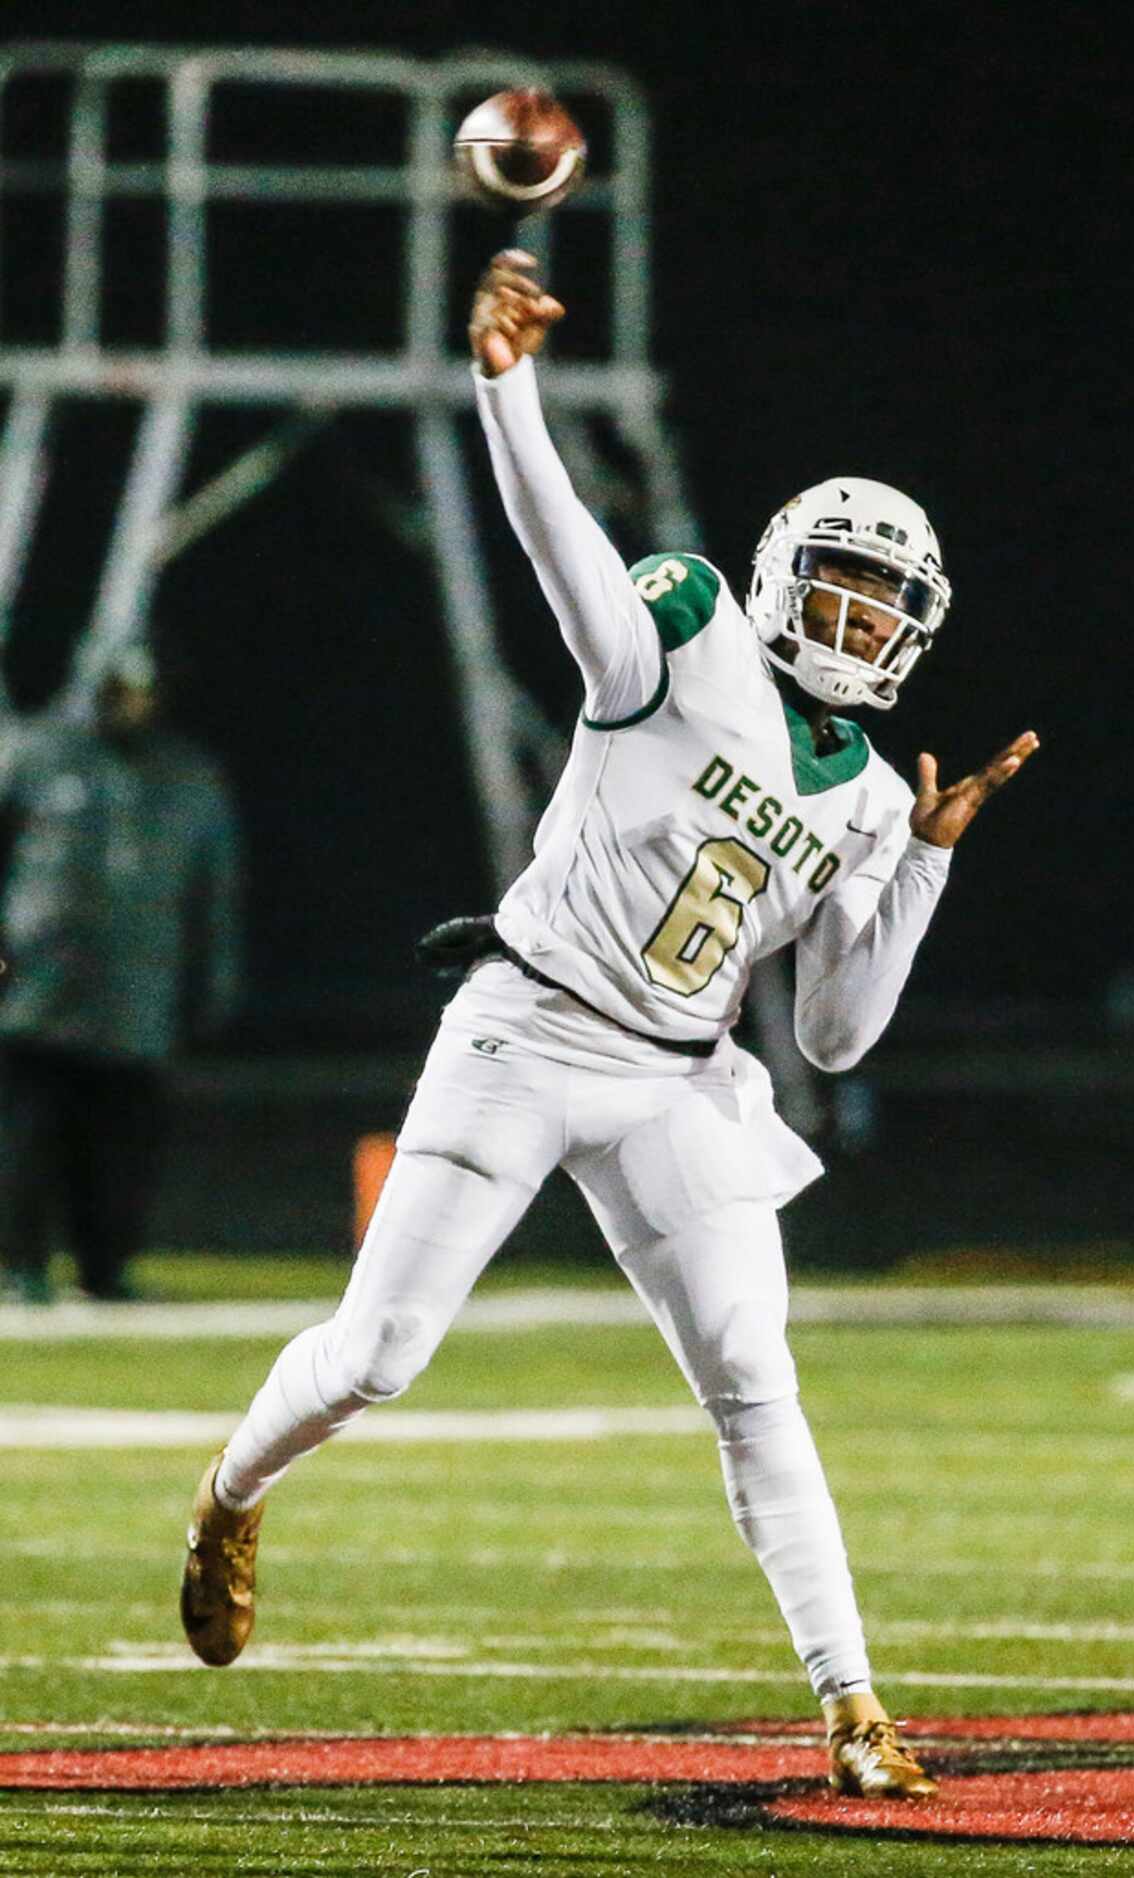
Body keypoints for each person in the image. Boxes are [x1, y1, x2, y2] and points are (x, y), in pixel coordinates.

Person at [181, 251, 1037, 1800]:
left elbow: (835, 1036)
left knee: (750, 1377)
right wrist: (504, 388)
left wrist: (919, 863)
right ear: (783, 575)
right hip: (528, 1021)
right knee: (378, 1354)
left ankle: (851, 1703)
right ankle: (232, 1489)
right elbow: (560, 548)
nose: (855, 620)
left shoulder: (858, 794)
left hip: (673, 1077)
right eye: (838, 583)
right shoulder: (688, 624)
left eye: (884, 604)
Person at [0, 645, 242, 1304]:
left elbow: (213, 893)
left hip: (138, 992)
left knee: (119, 1148)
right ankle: (16, 1264)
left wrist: (211, 982)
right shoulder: (38, 757)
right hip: (37, 988)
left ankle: (105, 1268)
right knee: (25, 1138)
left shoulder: (189, 777)